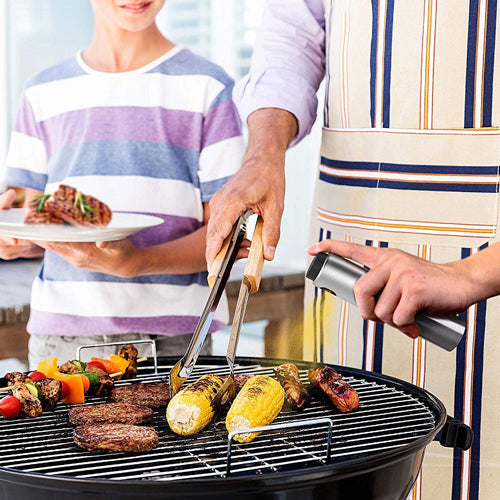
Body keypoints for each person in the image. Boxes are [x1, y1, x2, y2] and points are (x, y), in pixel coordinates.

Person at [206, 1, 500, 499]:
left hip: (486, 252)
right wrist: (262, 155)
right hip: (351, 249)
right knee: (346, 458)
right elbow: (290, 37)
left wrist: (474, 273)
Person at [0, 0, 244, 367]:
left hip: (174, 341)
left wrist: (138, 261)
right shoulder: (42, 92)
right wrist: (12, 240)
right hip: (62, 337)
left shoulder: (209, 87)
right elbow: (28, 217)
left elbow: (228, 236)